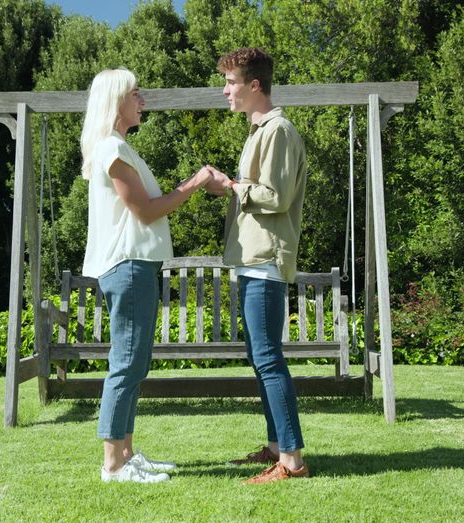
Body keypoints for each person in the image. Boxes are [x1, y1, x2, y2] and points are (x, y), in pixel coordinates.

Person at [80, 68, 212, 483]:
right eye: (136, 94)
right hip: (128, 265)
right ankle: (113, 464)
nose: (143, 100)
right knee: (126, 363)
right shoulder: (111, 149)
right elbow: (146, 210)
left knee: (134, 362)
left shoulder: (117, 146)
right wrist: (194, 184)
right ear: (116, 101)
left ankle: (127, 453)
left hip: (135, 265)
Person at [204, 48, 310, 484]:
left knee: (268, 358)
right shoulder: (258, 131)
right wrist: (232, 187)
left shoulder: (278, 130)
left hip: (266, 259)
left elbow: (277, 196)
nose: (224, 90)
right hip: (252, 260)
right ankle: (274, 447)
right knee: (259, 355)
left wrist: (230, 186)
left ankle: (293, 461)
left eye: (230, 82)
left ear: (254, 85)